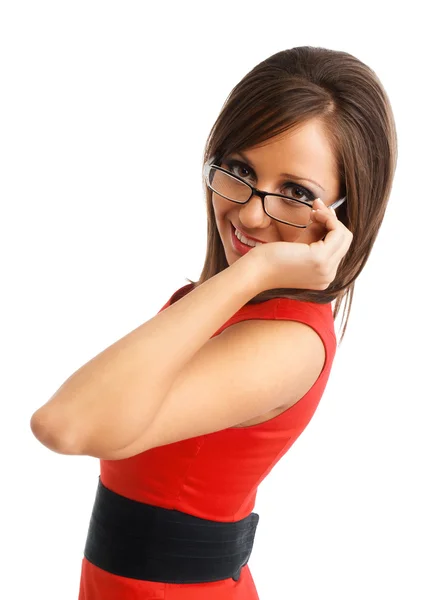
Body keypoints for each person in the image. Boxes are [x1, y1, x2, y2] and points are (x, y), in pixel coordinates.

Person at [30, 46, 397, 599]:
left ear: (345, 215)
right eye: (241, 171)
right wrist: (241, 282)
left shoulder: (287, 342)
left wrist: (257, 271)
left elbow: (65, 424)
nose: (250, 213)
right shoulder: (221, 304)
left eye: (297, 194)